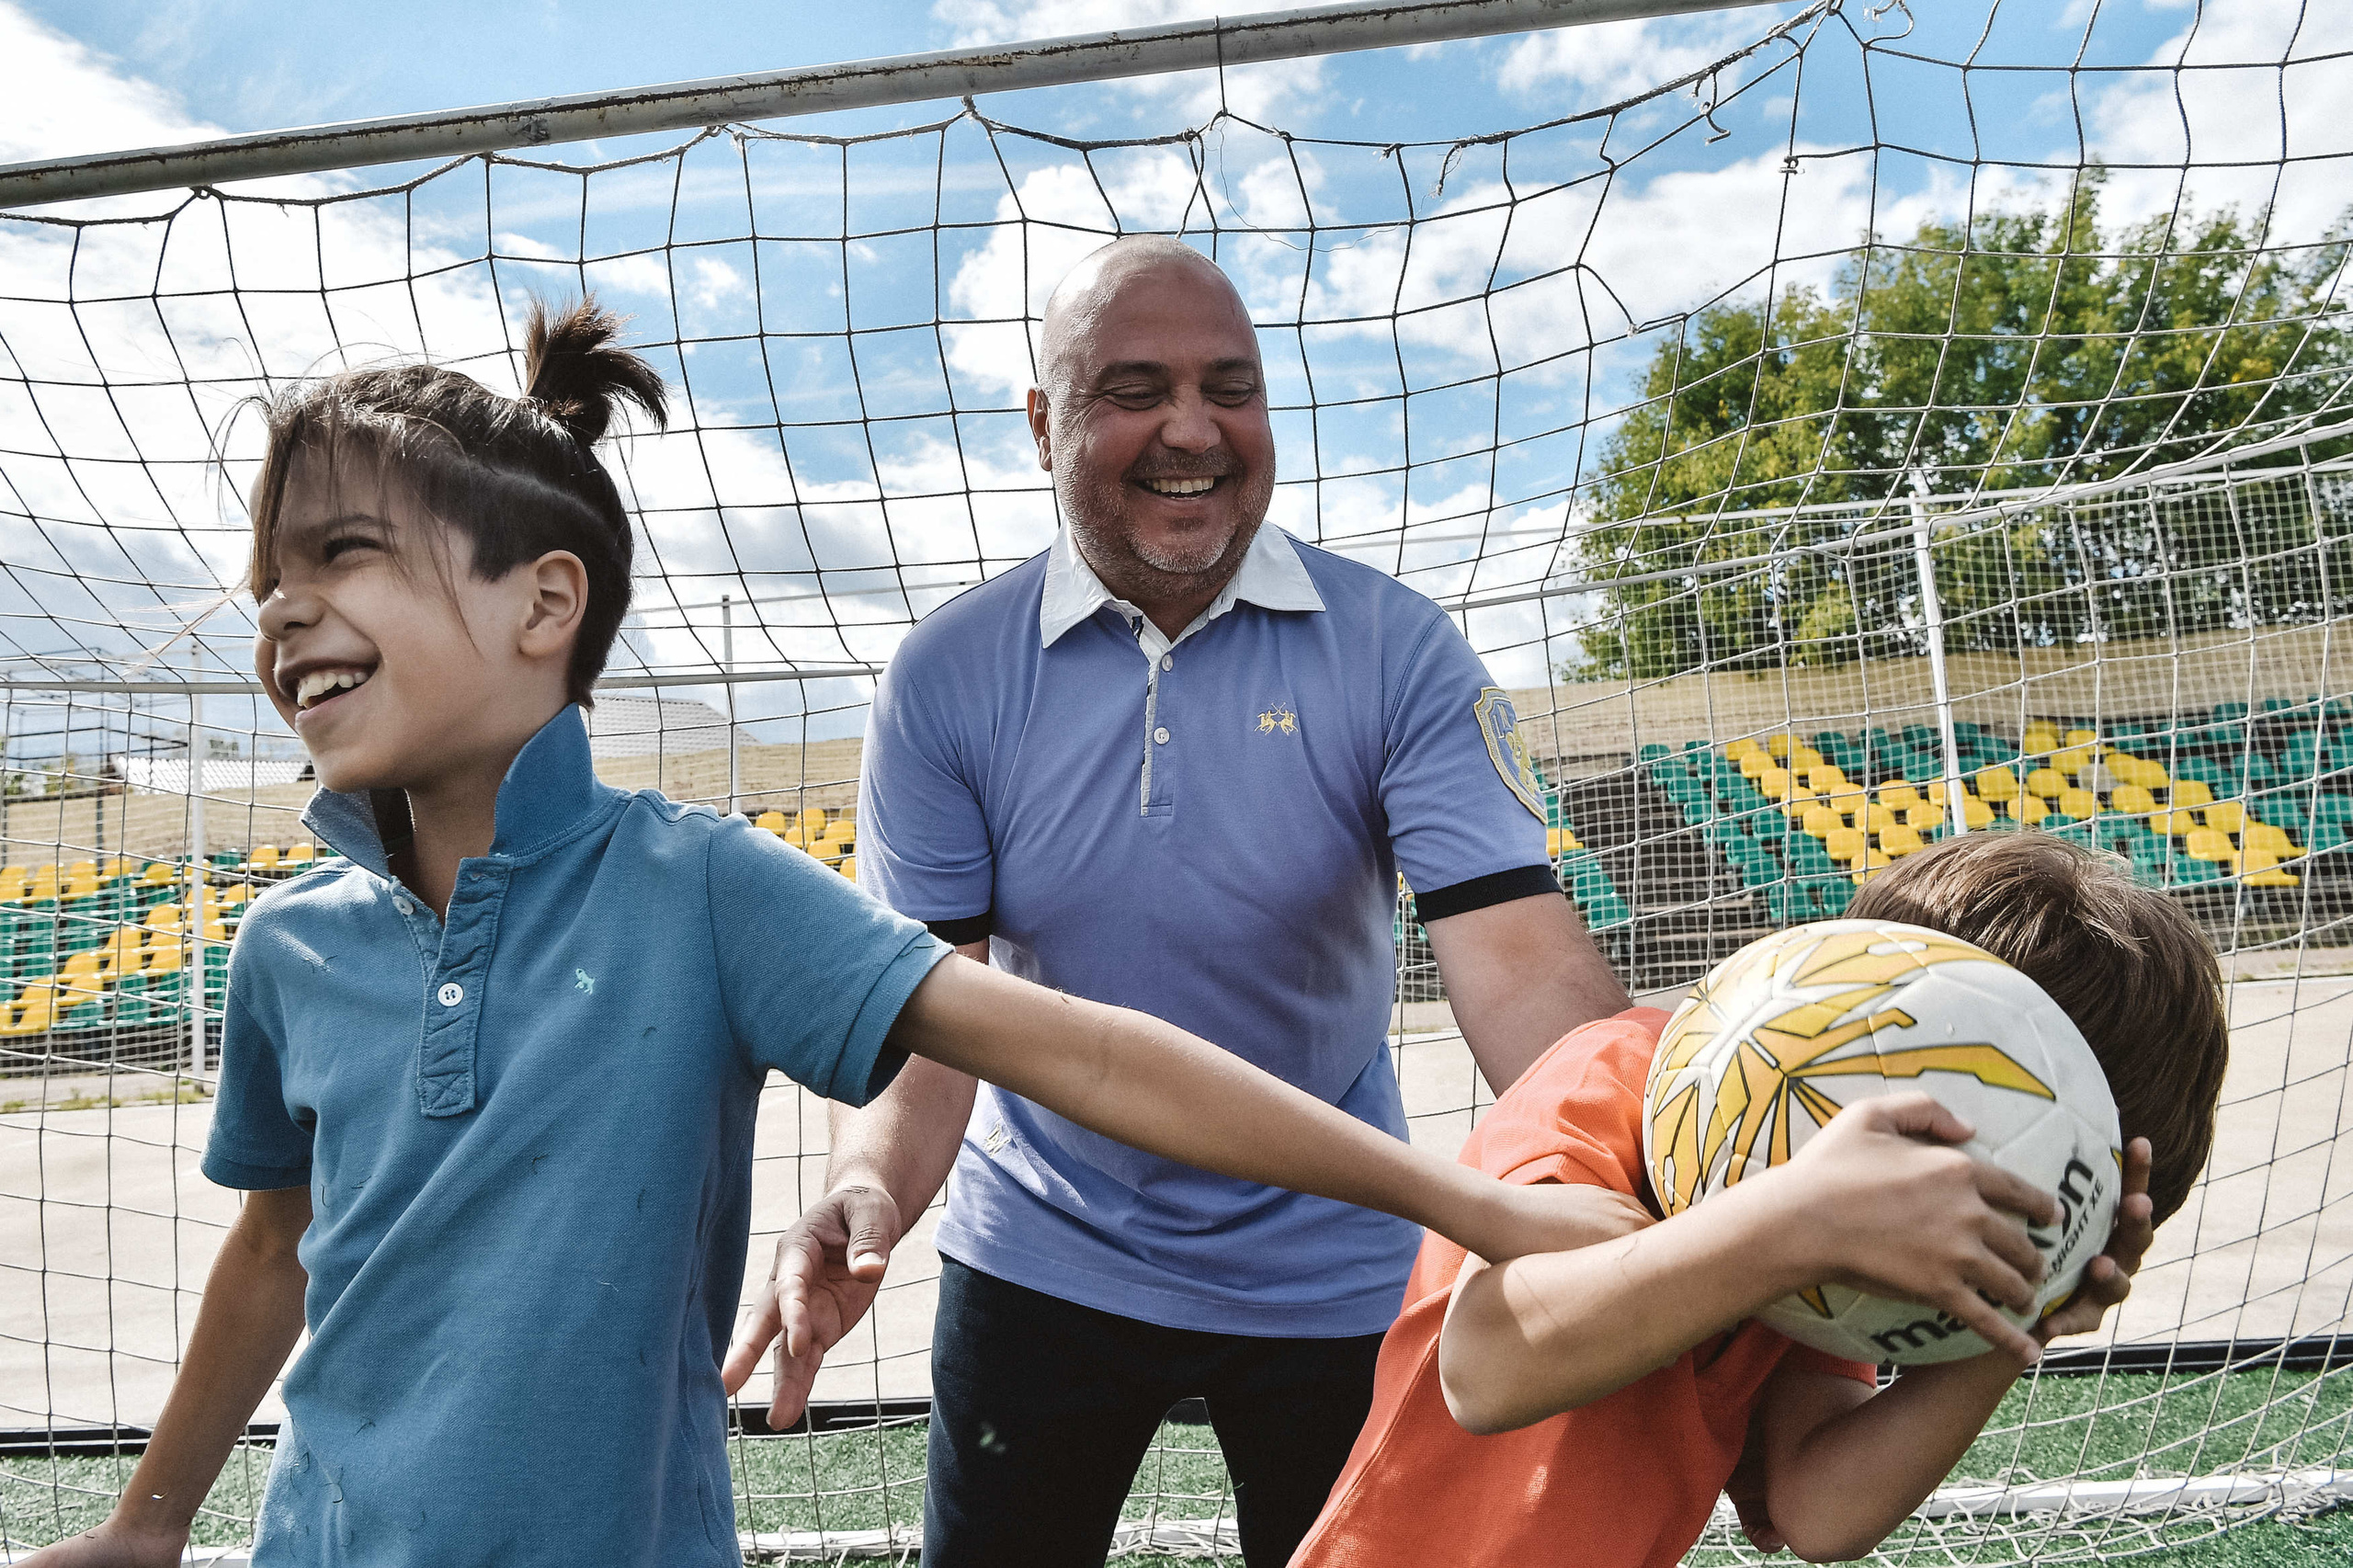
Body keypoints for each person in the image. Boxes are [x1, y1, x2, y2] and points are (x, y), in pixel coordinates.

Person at [22, 300, 1632, 1568]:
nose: (278, 609)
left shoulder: (700, 886)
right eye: (265, 577)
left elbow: (1072, 1048)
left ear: (544, 604)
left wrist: (1461, 1198)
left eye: (338, 556)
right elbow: (274, 1249)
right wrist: (158, 1518)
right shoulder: (287, 947)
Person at [723, 235, 1634, 1566]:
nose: (1193, 429)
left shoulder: (1397, 649)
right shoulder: (944, 680)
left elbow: (1526, 980)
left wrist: (1649, 1178)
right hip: (1042, 1249)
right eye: (1134, 388)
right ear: (1045, 422)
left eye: (1232, 385)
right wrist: (863, 1183)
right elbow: (939, 1031)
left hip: (1342, 1256)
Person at [1290, 829, 2233, 1568]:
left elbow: (1813, 1510)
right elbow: (1488, 1369)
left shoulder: (1857, 1233)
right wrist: (1789, 1222)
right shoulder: (1616, 1074)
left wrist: (2019, 1318)